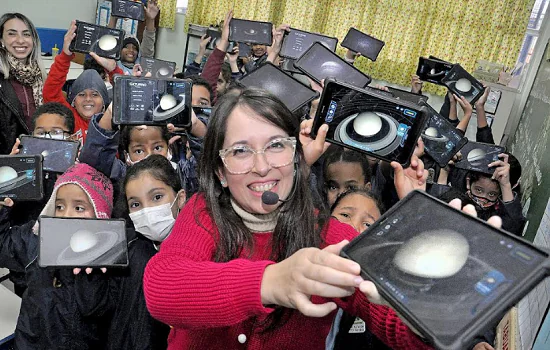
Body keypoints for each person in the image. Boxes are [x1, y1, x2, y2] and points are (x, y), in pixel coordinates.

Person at [143, 88, 432, 349]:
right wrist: (272, 281)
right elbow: (161, 287)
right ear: (220, 172)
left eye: (276, 146)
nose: (262, 166)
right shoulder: (203, 212)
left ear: (296, 157)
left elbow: (400, 328)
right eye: (241, 151)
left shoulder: (330, 237)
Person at [0, 163, 114, 349]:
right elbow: (3, 247)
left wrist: (91, 268)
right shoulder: (36, 238)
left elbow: (96, 308)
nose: (66, 215)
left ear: (100, 214)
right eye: (59, 206)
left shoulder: (110, 259)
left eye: (79, 208)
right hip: (30, 343)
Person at [105, 155, 186, 349]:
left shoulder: (202, 251)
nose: (147, 210)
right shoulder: (126, 250)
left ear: (180, 198)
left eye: (157, 197)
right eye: (136, 204)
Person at [325, 189, 389, 350]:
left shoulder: (373, 294)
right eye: (345, 215)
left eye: (367, 224)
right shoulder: (301, 267)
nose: (353, 226)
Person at [43, 21, 121, 144]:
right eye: (81, 94)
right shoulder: (69, 118)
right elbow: (50, 93)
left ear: (104, 103)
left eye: (95, 94)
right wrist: (65, 56)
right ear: (73, 101)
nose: (88, 99)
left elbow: (130, 99)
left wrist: (114, 71)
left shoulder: (111, 119)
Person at [438, 153, 525, 235]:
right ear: (468, 182)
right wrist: (443, 173)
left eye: (492, 194)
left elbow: (513, 228)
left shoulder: (501, 208)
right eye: (478, 190)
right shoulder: (459, 181)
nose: (482, 199)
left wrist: (505, 185)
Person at [0, 13, 46, 154]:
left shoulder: (42, 78)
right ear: (1, 40)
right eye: (12, 34)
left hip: (40, 153)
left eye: (26, 34)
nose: (20, 40)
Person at [109, 0, 160, 75]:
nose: (131, 50)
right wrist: (114, 17)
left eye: (135, 48)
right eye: (126, 47)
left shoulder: (141, 66)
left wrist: (151, 19)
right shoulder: (113, 65)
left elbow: (148, 43)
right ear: (119, 51)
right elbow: (108, 42)